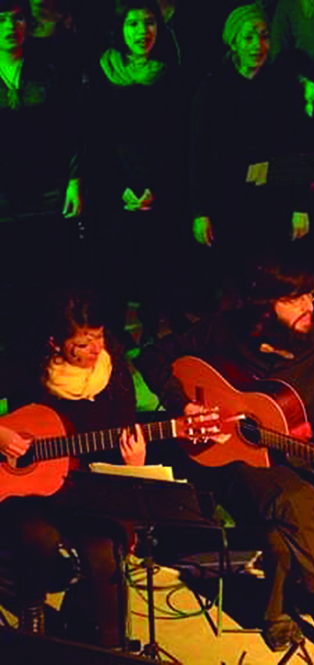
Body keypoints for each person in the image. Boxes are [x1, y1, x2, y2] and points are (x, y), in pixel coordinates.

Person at [134, 256, 314, 664]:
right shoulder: (225, 330)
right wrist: (183, 405)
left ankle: (274, 612)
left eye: (312, 293)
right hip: (228, 460)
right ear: (266, 305)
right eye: (294, 297)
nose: (309, 304)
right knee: (292, 501)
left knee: (283, 525)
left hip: (301, 461)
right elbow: (151, 357)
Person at [0, 288, 145, 649]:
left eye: (97, 337)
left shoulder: (115, 375)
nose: (95, 350)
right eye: (82, 343)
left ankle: (112, 645)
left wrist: (134, 462)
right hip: (35, 492)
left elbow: (124, 438)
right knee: (35, 535)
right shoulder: (29, 368)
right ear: (54, 343)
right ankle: (31, 624)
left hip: (91, 488)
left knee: (102, 552)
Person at [190, 5, 314, 303]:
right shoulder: (212, 86)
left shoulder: (284, 85)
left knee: (270, 279)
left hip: (273, 201)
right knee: (229, 282)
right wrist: (200, 211)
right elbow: (198, 152)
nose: (257, 45)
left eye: (263, 36)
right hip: (226, 200)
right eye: (248, 37)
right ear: (234, 42)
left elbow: (298, 148)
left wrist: (300, 205)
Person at [86, 0, 185, 347]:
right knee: (114, 271)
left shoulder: (171, 75)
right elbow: (95, 138)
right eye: (133, 24)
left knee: (154, 267)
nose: (142, 32)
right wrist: (120, 189)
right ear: (120, 29)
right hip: (114, 188)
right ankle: (112, 341)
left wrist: (153, 186)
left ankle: (151, 338)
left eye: (149, 23)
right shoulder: (102, 72)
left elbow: (176, 140)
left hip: (157, 187)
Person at [0, 0, 82, 327]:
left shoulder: (49, 68)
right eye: (2, 20)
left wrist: (75, 181)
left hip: (47, 188)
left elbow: (71, 127)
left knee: (48, 272)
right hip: (4, 195)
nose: (10, 27)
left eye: (17, 19)